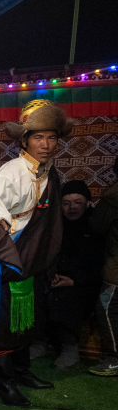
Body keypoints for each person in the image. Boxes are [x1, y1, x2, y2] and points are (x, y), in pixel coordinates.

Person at [0, 99, 70, 405]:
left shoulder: (50, 173)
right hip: (11, 252)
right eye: (38, 137)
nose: (46, 144)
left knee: (26, 314)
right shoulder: (13, 170)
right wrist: (1, 225)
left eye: (51, 138)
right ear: (25, 140)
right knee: (5, 316)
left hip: (34, 254)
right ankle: (3, 380)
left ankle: (21, 369)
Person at [45, 180, 104, 368]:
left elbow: (99, 265)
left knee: (66, 296)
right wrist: (51, 273)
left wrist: (75, 280)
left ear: (87, 203)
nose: (72, 207)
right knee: (33, 290)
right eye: (66, 203)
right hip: (56, 278)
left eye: (78, 202)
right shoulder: (55, 225)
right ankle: (38, 342)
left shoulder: (95, 227)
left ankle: (70, 349)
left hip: (86, 284)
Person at [87, 161, 118, 376]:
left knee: (107, 310)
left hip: (116, 268)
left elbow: (97, 226)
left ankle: (114, 359)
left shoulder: (113, 197)